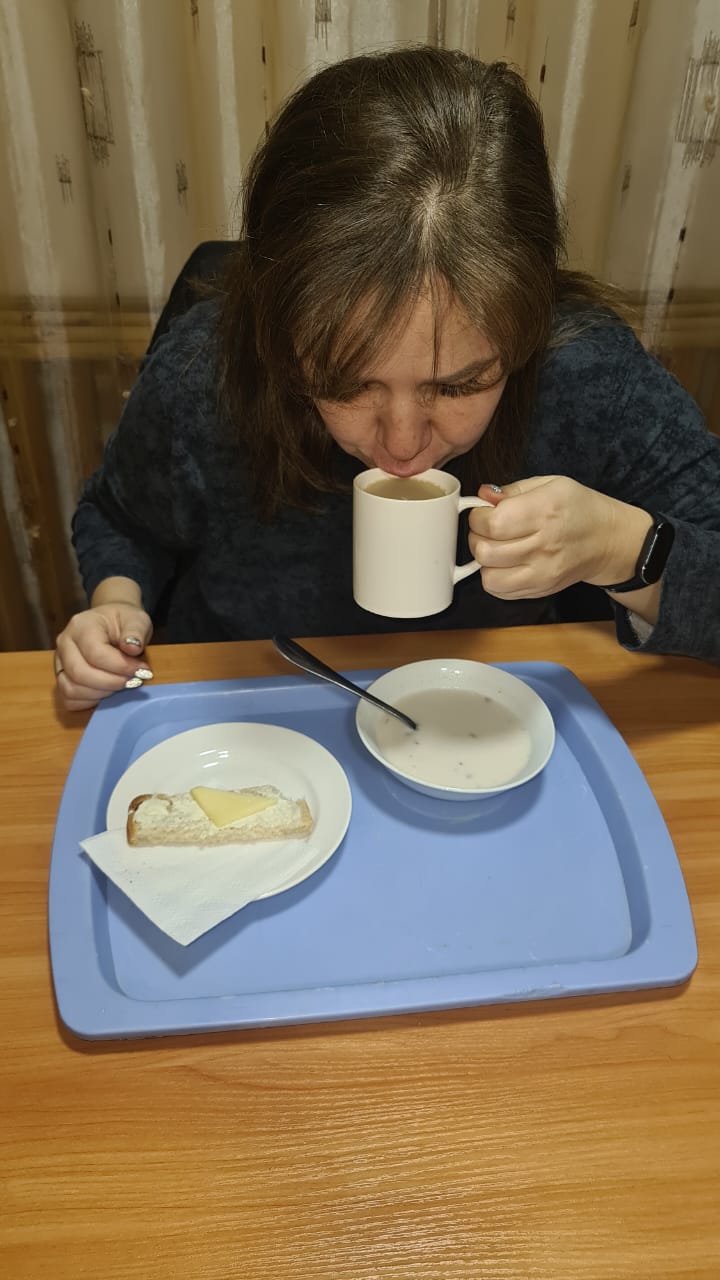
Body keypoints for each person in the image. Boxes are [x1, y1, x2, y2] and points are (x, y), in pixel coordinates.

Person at [55, 45, 720, 710]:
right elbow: (122, 519)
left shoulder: (589, 375)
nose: (403, 446)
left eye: (458, 386)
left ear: (526, 326)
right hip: (249, 712)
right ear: (279, 330)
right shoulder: (205, 373)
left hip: (487, 719)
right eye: (345, 384)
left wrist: (626, 548)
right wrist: (116, 606)